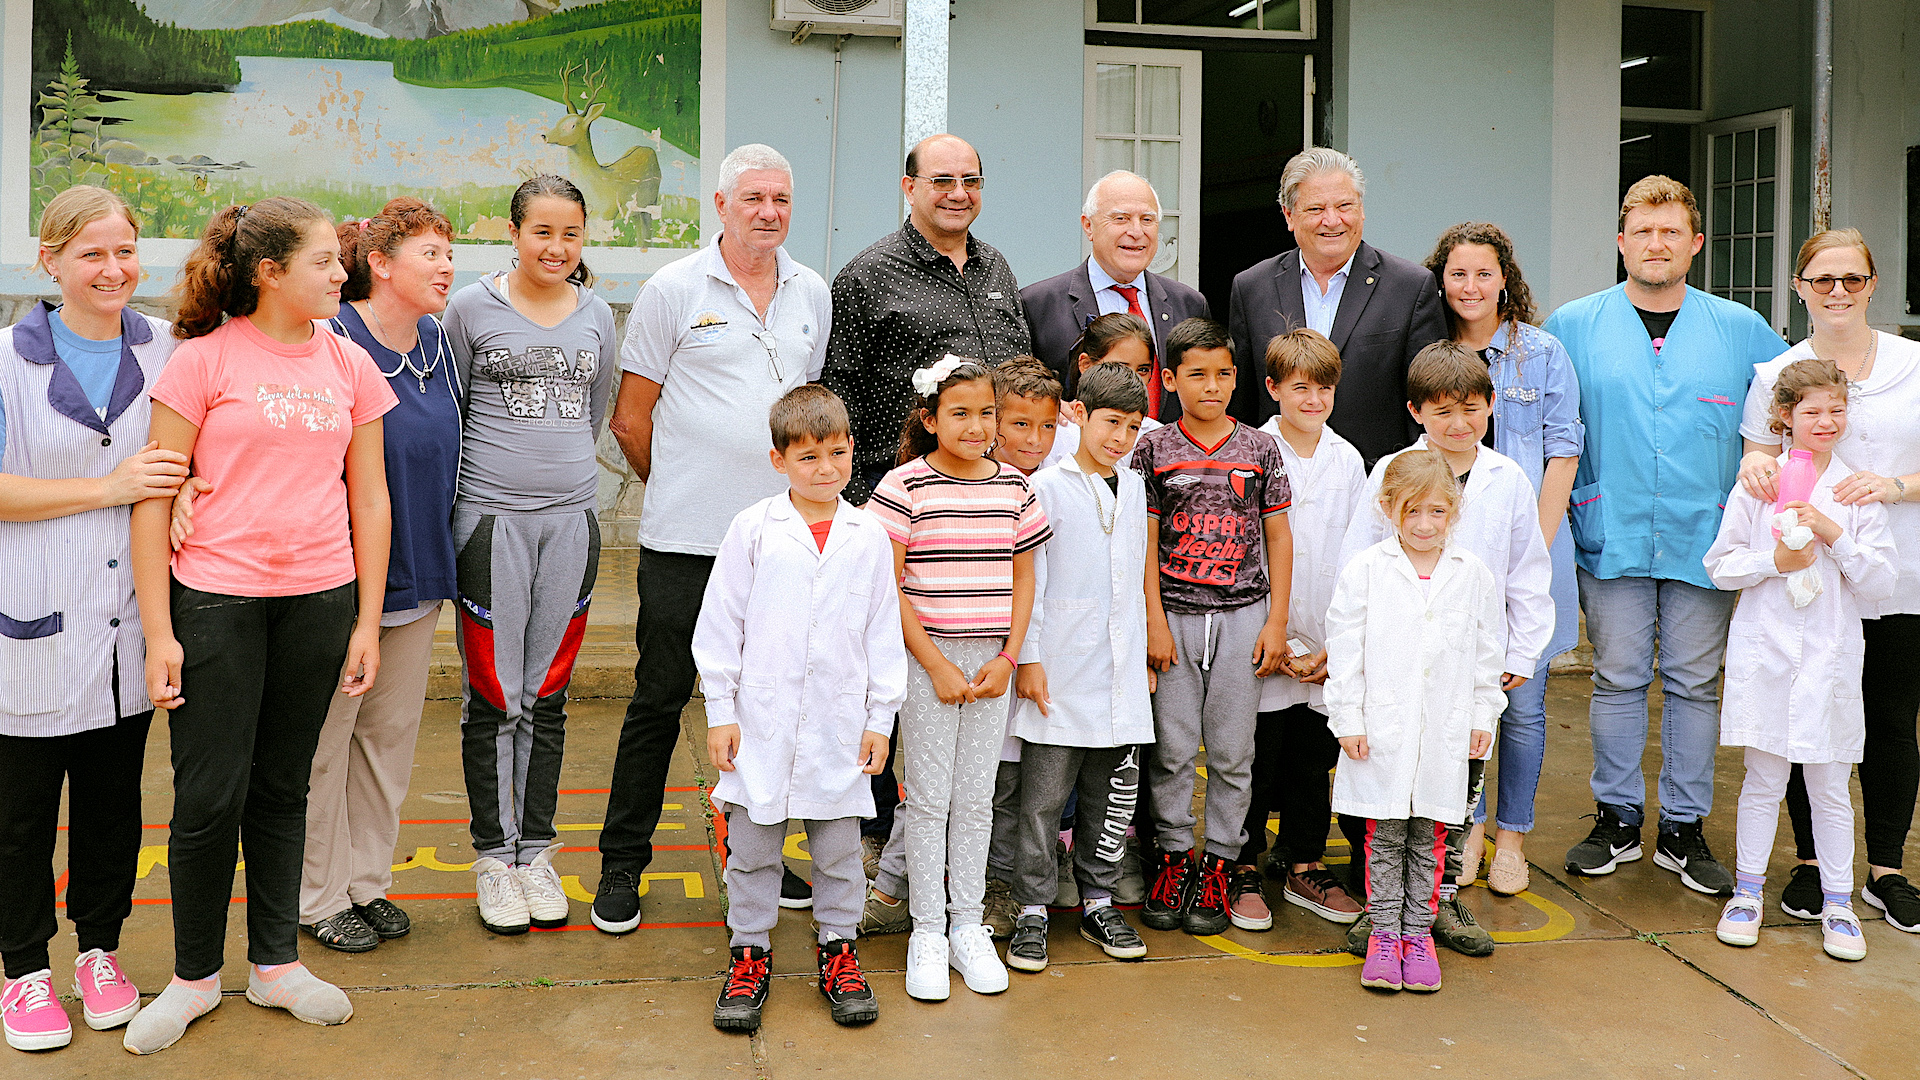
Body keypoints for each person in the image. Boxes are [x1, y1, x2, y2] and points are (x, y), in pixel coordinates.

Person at [124, 197, 395, 1054]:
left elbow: (370, 499)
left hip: (320, 601)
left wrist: (367, 622)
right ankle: (194, 978)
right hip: (215, 603)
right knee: (209, 796)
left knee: (284, 788)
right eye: (323, 261)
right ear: (270, 273)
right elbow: (154, 498)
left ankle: (276, 965)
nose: (341, 272)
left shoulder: (349, 362)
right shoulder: (201, 361)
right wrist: (159, 632)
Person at [595, 145, 830, 935]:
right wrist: (681, 491)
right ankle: (622, 865)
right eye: (753, 197)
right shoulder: (673, 288)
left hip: (779, 546)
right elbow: (630, 420)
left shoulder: (811, 291)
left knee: (768, 709)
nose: (769, 212)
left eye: (781, 199)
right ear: (722, 205)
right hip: (685, 544)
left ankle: (756, 854)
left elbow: (804, 414)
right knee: (659, 701)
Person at [1547, 176, 1784, 896]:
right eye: (1644, 232)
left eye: (1671, 232)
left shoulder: (1741, 329)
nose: (1657, 244)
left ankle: (1683, 827)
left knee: (1694, 682)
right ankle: (1616, 818)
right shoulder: (1573, 325)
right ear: (1621, 242)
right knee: (1617, 677)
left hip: (1703, 534)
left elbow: (1793, 406)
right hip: (1610, 527)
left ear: (1695, 243)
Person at [0, 187, 184, 1053]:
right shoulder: (8, 360)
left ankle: (99, 954)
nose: (114, 270)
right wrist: (108, 488)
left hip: (127, 625)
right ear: (51, 261)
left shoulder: (167, 348)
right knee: (20, 816)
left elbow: (191, 457)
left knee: (114, 808)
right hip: (31, 621)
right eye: (92, 255)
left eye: (125, 251)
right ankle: (23, 969)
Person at [442, 176, 617, 936]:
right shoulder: (469, 309)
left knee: (547, 694)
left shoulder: (597, 314)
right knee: (494, 695)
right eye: (542, 231)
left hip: (571, 524)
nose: (556, 247)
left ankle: (535, 854)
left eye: (570, 233)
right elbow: (450, 408)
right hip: (490, 526)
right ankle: (493, 859)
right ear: (513, 233)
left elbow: (596, 410)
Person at [1338, 342, 1552, 959]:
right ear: (1416, 412)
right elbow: (1357, 559)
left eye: (1471, 409)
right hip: (1394, 663)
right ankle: (1384, 910)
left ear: (1491, 406)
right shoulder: (1391, 471)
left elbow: (1526, 570)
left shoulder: (1507, 479)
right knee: (1386, 789)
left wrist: (1522, 650)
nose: (1459, 424)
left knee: (1455, 792)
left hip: (1467, 663)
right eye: (1442, 412)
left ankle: (1441, 900)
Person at [1734, 229, 1920, 934]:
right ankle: (1812, 863)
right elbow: (1759, 460)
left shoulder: (1913, 364)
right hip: (1808, 583)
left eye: (1852, 279)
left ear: (1873, 284)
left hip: (1896, 569)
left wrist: (1894, 487)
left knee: (1891, 719)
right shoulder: (1776, 373)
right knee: (1803, 714)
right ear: (1799, 288)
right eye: (1822, 280)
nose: (1837, 291)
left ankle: (1886, 869)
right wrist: (1756, 474)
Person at [703, 385, 904, 1033]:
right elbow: (721, 625)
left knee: (839, 853)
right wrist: (721, 711)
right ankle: (749, 953)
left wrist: (879, 720)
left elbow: (882, 634)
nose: (825, 468)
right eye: (808, 456)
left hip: (839, 727)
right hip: (759, 724)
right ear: (778, 460)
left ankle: (838, 950)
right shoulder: (753, 530)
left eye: (837, 453)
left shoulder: (868, 536)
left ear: (852, 451)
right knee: (753, 850)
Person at [289, 199, 460, 953]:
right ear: (381, 265)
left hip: (418, 574)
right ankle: (317, 897)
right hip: (340, 581)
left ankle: (366, 884)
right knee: (324, 747)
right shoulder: (333, 339)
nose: (447, 268)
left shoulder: (438, 342)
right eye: (430, 254)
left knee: (387, 744)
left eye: (449, 253)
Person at [863, 355, 1050, 1002]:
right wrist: (936, 664)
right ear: (930, 418)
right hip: (928, 662)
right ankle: (927, 931)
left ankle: (968, 925)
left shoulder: (1014, 488)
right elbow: (889, 586)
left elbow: (1024, 577)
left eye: (987, 413)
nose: (977, 426)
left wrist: (1009, 657)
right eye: (960, 413)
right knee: (928, 799)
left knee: (975, 798)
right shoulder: (904, 486)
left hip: (992, 662)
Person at [1706, 357, 1894, 962]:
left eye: (1837, 410)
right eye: (1812, 411)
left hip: (1830, 655)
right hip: (1767, 649)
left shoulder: (1855, 491)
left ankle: (1839, 902)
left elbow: (1882, 582)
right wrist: (1774, 561)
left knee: (1830, 784)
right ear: (1785, 416)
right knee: (1763, 778)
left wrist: (1833, 533)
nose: (1826, 421)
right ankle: (1747, 892)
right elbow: (1720, 565)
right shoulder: (1759, 484)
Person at [1422, 222, 1583, 898]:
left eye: (1483, 273)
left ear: (1505, 280)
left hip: (1530, 550)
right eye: (1457, 274)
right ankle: (1464, 831)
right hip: (1444, 555)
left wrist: (1532, 544)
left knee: (1521, 705)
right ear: (1441, 281)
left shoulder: (1541, 353)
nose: (1471, 287)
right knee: (1453, 705)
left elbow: (1563, 451)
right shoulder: (1428, 350)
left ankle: (1511, 838)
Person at [1135, 318, 1294, 937]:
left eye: (1223, 374)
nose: (1212, 386)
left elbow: (1279, 537)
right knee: (1173, 751)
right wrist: (1154, 619)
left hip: (1242, 615)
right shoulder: (1153, 450)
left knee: (1232, 752)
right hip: (1174, 618)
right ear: (1170, 380)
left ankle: (1221, 863)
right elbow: (1144, 544)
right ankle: (1174, 859)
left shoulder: (1259, 448)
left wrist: (1276, 620)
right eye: (1196, 374)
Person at [1327, 450, 1505, 994]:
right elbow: (1345, 652)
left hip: (1446, 733)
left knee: (1431, 837)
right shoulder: (1365, 571)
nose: (1424, 525)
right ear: (1388, 509)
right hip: (1382, 731)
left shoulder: (1472, 574)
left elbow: (1487, 653)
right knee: (1384, 837)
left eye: (1436, 512)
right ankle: (1384, 934)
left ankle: (1418, 936)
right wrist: (1348, 719)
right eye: (1411, 512)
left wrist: (1483, 714)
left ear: (1454, 511)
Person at [1004, 361, 1155, 973]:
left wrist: (1141, 656)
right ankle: (1032, 908)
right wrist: (1030, 658)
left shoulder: (1136, 487)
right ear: (1081, 415)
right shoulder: (1047, 487)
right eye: (1110, 422)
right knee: (1042, 801)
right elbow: (1032, 582)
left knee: (1109, 795)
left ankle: (1098, 900)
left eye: (1133, 426)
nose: (1120, 437)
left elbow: (1135, 577)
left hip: (1119, 674)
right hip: (1060, 673)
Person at [1233, 328, 1368, 932]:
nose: (1313, 400)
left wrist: (1338, 646)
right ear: (1272, 388)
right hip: (1264, 636)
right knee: (1254, 758)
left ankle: (1304, 861)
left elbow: (1358, 555)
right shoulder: (1251, 451)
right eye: (1300, 388)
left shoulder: (1349, 460)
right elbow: (1244, 549)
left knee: (1313, 760)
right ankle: (1240, 864)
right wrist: (1276, 632)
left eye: (1324, 389)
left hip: (1325, 643)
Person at [822, 134, 1031, 506]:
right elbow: (841, 396)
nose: (959, 193)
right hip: (903, 491)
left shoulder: (996, 267)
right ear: (910, 187)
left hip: (1000, 486)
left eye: (970, 181)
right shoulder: (867, 276)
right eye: (943, 181)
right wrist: (857, 501)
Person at [1226, 148, 1448, 463]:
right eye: (1316, 209)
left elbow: (1430, 401)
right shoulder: (1252, 288)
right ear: (1289, 216)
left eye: (1345, 206)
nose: (1332, 221)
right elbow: (1242, 405)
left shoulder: (1410, 287)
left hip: (1377, 480)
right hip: (1276, 480)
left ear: (1362, 209)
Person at [1022, 170, 1210, 420]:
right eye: (1121, 218)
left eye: (1147, 219)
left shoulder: (1189, 304)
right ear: (1088, 226)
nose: (1136, 231)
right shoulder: (1037, 304)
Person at [1044, 313, 1161, 471]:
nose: (1133, 377)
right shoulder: (1056, 430)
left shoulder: (1157, 436)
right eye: (1120, 367)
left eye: (1143, 369)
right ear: (1086, 364)